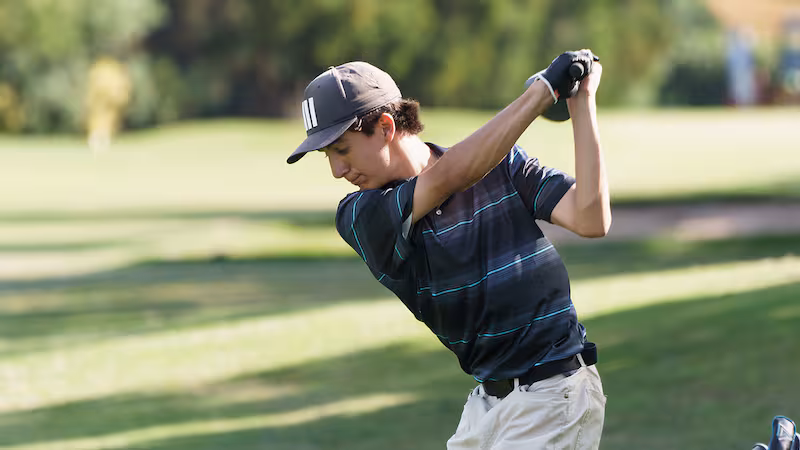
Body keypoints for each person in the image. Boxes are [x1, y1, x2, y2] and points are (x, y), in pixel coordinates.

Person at [287, 50, 610, 449]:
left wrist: (582, 102)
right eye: (328, 156)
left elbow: (591, 218)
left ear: (385, 127)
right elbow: (450, 176)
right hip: (487, 406)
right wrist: (543, 92)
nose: (337, 171)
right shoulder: (359, 215)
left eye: (341, 150)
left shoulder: (502, 164)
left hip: (553, 395)